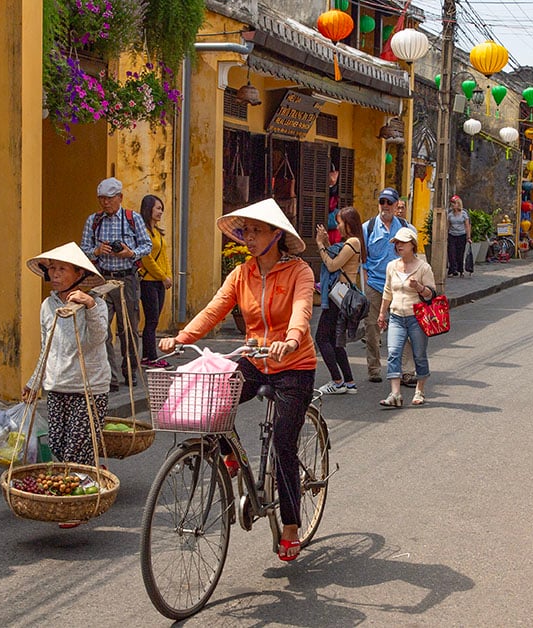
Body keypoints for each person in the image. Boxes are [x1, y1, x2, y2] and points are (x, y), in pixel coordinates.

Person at [159, 198, 315, 562]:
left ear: (277, 234)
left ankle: (290, 526)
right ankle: (229, 456)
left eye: (258, 230)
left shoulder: (299, 272)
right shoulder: (242, 273)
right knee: (211, 403)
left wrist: (291, 339)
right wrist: (182, 337)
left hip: (294, 365)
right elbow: (215, 309)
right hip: (255, 360)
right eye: (246, 230)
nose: (250, 237)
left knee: (283, 446)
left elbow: (301, 309)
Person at [21, 243, 109, 528]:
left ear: (78, 273)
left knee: (76, 446)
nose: (55, 274)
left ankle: (76, 506)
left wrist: (90, 306)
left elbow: (97, 339)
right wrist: (35, 381)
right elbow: (46, 346)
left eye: (62, 269)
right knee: (58, 443)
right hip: (57, 384)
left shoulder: (95, 302)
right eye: (52, 269)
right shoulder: (47, 306)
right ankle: (91, 472)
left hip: (89, 386)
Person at [81, 177, 152, 391]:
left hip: (127, 278)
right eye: (102, 199)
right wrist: (96, 251)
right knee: (100, 327)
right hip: (102, 278)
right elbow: (83, 249)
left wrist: (131, 253)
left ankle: (129, 372)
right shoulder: (93, 220)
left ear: (120, 197)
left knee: (128, 328)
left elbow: (147, 245)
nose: (105, 203)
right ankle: (109, 375)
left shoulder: (133, 218)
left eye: (110, 199)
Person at [363, 187, 416, 386]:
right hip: (375, 286)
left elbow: (414, 255)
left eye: (389, 203)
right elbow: (363, 260)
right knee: (371, 329)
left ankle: (407, 371)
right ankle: (374, 368)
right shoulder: (367, 228)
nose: (385, 206)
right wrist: (365, 284)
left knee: (406, 328)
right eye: (382, 202)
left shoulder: (406, 228)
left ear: (396, 206)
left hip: (400, 286)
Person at [377, 227, 434, 407]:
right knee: (393, 353)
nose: (399, 246)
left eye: (403, 242)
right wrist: (381, 313)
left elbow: (431, 294)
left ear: (412, 245)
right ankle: (395, 394)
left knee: (419, 355)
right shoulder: (392, 266)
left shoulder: (424, 268)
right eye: (396, 243)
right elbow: (387, 291)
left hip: (416, 318)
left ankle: (420, 390)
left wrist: (418, 287)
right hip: (396, 316)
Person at [314, 206, 363, 395]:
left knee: (321, 338)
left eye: (340, 222)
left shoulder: (353, 242)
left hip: (339, 293)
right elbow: (334, 257)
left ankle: (337, 381)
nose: (337, 225)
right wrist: (326, 243)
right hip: (341, 293)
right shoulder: (351, 242)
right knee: (335, 340)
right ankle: (349, 382)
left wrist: (320, 244)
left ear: (349, 224)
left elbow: (332, 264)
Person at [138, 194, 172, 369]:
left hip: (159, 282)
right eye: (157, 208)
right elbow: (147, 259)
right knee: (151, 321)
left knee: (154, 321)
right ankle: (150, 357)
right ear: (148, 208)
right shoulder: (143, 232)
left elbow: (163, 256)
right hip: (148, 281)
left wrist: (168, 275)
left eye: (161, 209)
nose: (160, 212)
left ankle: (147, 356)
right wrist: (162, 276)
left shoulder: (158, 232)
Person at [446, 195, 472, 277]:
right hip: (452, 235)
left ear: (458, 204)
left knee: (460, 254)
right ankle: (452, 270)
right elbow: (448, 225)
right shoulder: (450, 215)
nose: (453, 205)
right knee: (451, 253)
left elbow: (467, 226)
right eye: (452, 204)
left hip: (461, 235)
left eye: (454, 203)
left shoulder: (464, 214)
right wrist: (445, 235)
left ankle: (460, 270)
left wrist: (468, 237)